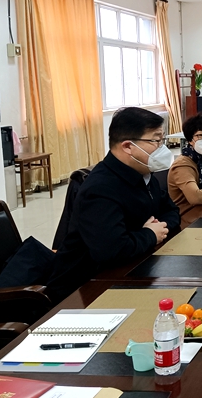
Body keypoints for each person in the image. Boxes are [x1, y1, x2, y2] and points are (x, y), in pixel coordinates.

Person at [46, 107, 180, 303]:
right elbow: (112, 251)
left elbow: (172, 211)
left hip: (136, 265)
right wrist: (150, 234)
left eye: (162, 140)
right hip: (85, 289)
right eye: (156, 141)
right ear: (128, 146)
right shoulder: (100, 188)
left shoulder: (143, 174)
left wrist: (158, 229)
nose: (162, 148)